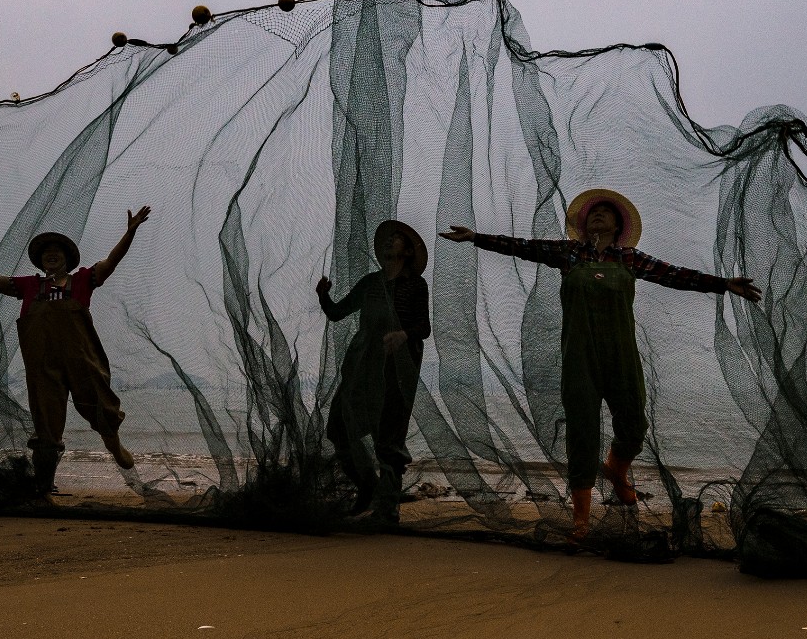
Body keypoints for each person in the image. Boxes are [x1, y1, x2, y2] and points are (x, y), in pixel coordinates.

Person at [441, 190, 760, 540]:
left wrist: (723, 284)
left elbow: (675, 275)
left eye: (607, 212)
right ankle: (581, 517)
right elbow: (523, 246)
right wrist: (477, 238)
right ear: (584, 223)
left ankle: (616, 470)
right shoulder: (569, 253)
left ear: (618, 225)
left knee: (635, 424)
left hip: (621, 355)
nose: (599, 215)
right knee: (582, 433)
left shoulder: (629, 259)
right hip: (580, 358)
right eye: (595, 212)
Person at [0, 206, 150, 493]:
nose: (52, 254)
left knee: (102, 409)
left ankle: (114, 445)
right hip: (43, 367)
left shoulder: (82, 281)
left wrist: (130, 232)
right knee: (45, 427)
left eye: (57, 251)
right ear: (41, 261)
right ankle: (45, 486)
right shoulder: (29, 286)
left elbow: (111, 261)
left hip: (83, 361)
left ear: (67, 259)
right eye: (46, 252)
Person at [317, 219, 432, 523]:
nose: (388, 242)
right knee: (339, 428)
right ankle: (367, 487)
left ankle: (387, 508)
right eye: (387, 238)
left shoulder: (415, 285)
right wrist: (323, 295)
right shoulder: (370, 283)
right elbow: (338, 313)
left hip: (397, 369)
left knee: (388, 435)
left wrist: (402, 335)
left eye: (396, 239)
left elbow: (424, 327)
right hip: (362, 367)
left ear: (407, 252)